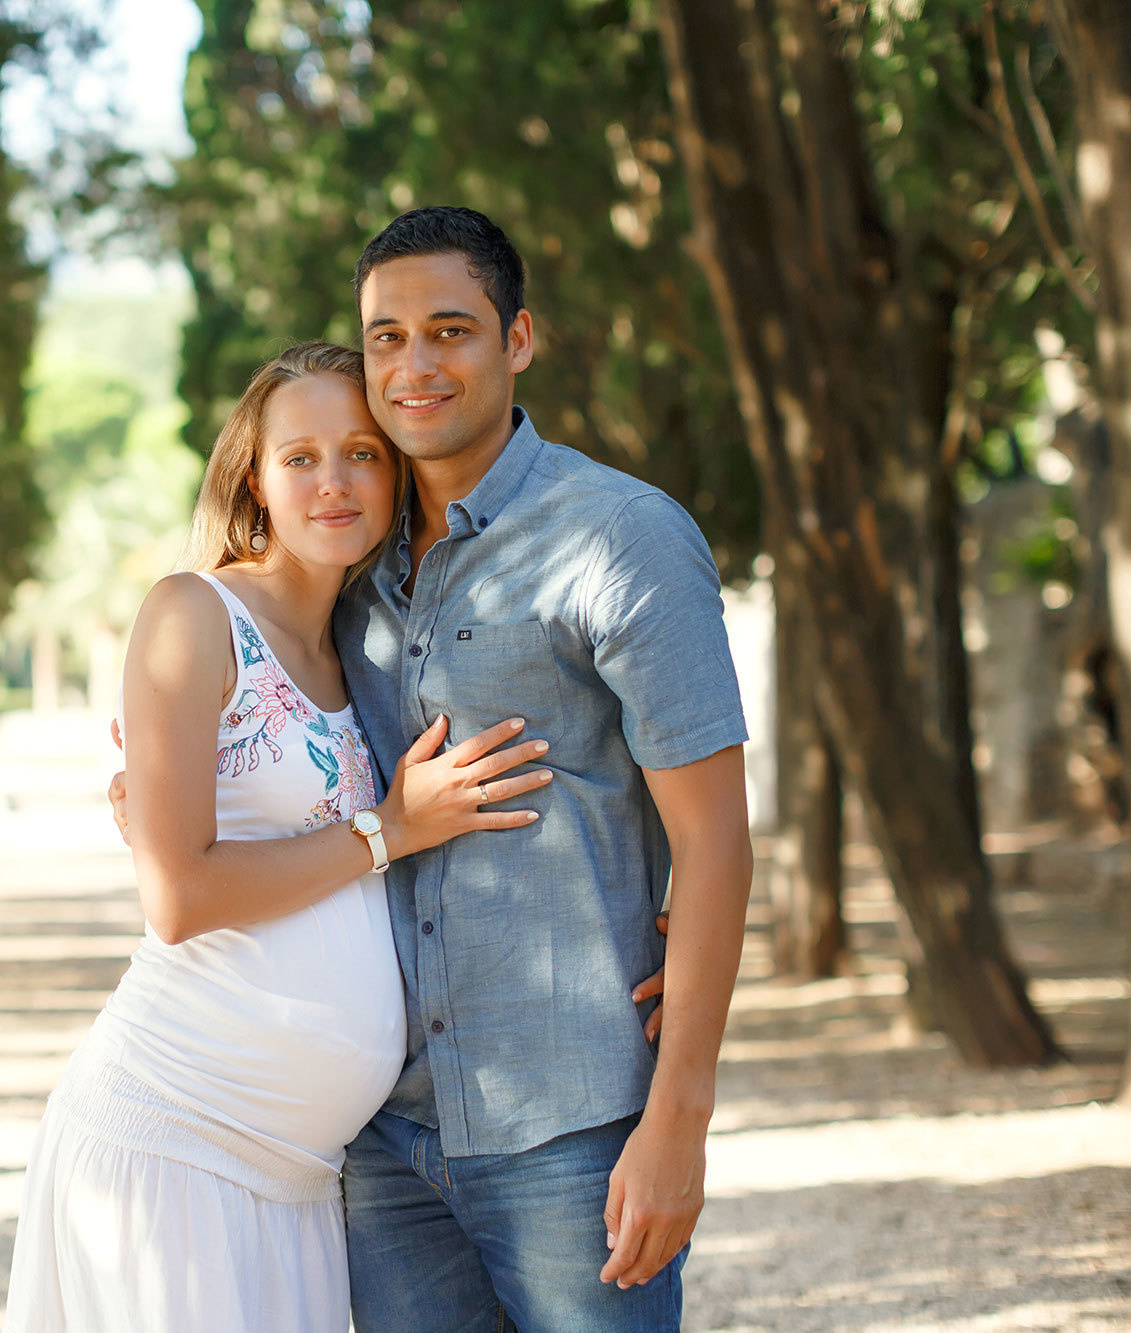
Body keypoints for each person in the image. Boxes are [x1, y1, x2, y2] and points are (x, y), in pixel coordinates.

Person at [112, 206, 753, 1332]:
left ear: (517, 339)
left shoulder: (622, 537)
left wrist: (678, 1120)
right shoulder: (351, 563)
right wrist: (163, 786)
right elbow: (261, 723)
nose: (414, 366)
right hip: (380, 1144)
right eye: (387, 338)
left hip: (568, 1126)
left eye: (450, 330)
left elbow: (715, 839)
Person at [2, 341, 557, 1333]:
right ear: (253, 480)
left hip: (300, 1187)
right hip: (177, 1147)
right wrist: (387, 828)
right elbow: (177, 897)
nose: (332, 480)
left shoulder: (366, 644)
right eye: (299, 457)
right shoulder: (194, 612)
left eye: (361, 453)